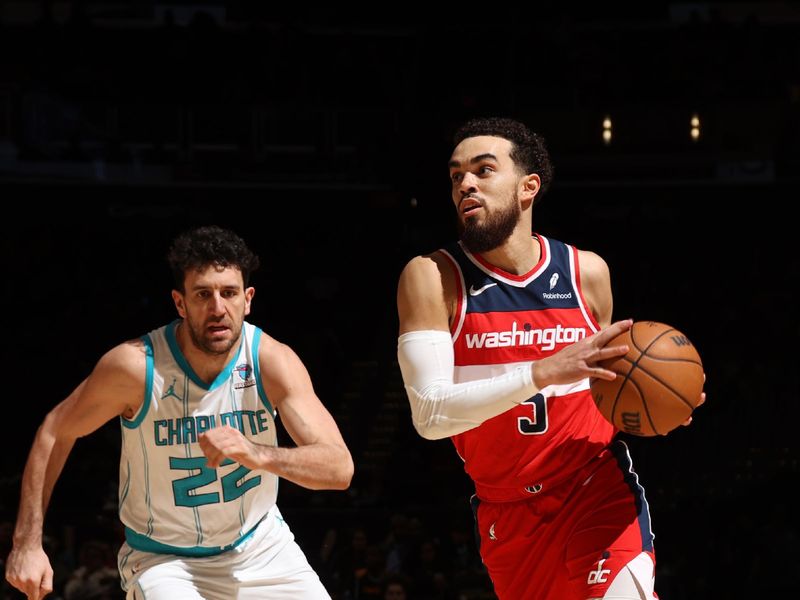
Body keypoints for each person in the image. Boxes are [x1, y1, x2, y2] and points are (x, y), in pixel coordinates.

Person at [396, 117, 704, 600]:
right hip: (508, 513)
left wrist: (660, 405)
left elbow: (612, 382)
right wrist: (543, 371)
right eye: (456, 175)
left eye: (483, 170)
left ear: (528, 187)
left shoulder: (587, 273)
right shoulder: (433, 277)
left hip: (595, 489)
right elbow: (430, 416)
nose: (466, 184)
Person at [5, 225, 354, 599]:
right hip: (164, 559)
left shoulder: (272, 361)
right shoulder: (135, 367)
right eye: (203, 294)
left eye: (229, 293)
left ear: (248, 299)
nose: (218, 308)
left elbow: (339, 469)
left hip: (260, 547)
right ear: (180, 303)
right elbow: (55, 430)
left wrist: (257, 453)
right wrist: (27, 543)